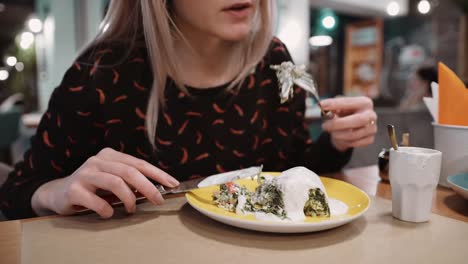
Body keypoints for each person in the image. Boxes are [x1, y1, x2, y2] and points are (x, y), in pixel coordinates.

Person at [0, 0, 377, 220]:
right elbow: (16, 193)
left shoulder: (273, 61)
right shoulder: (102, 72)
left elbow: (288, 167)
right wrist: (56, 192)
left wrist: (338, 142)